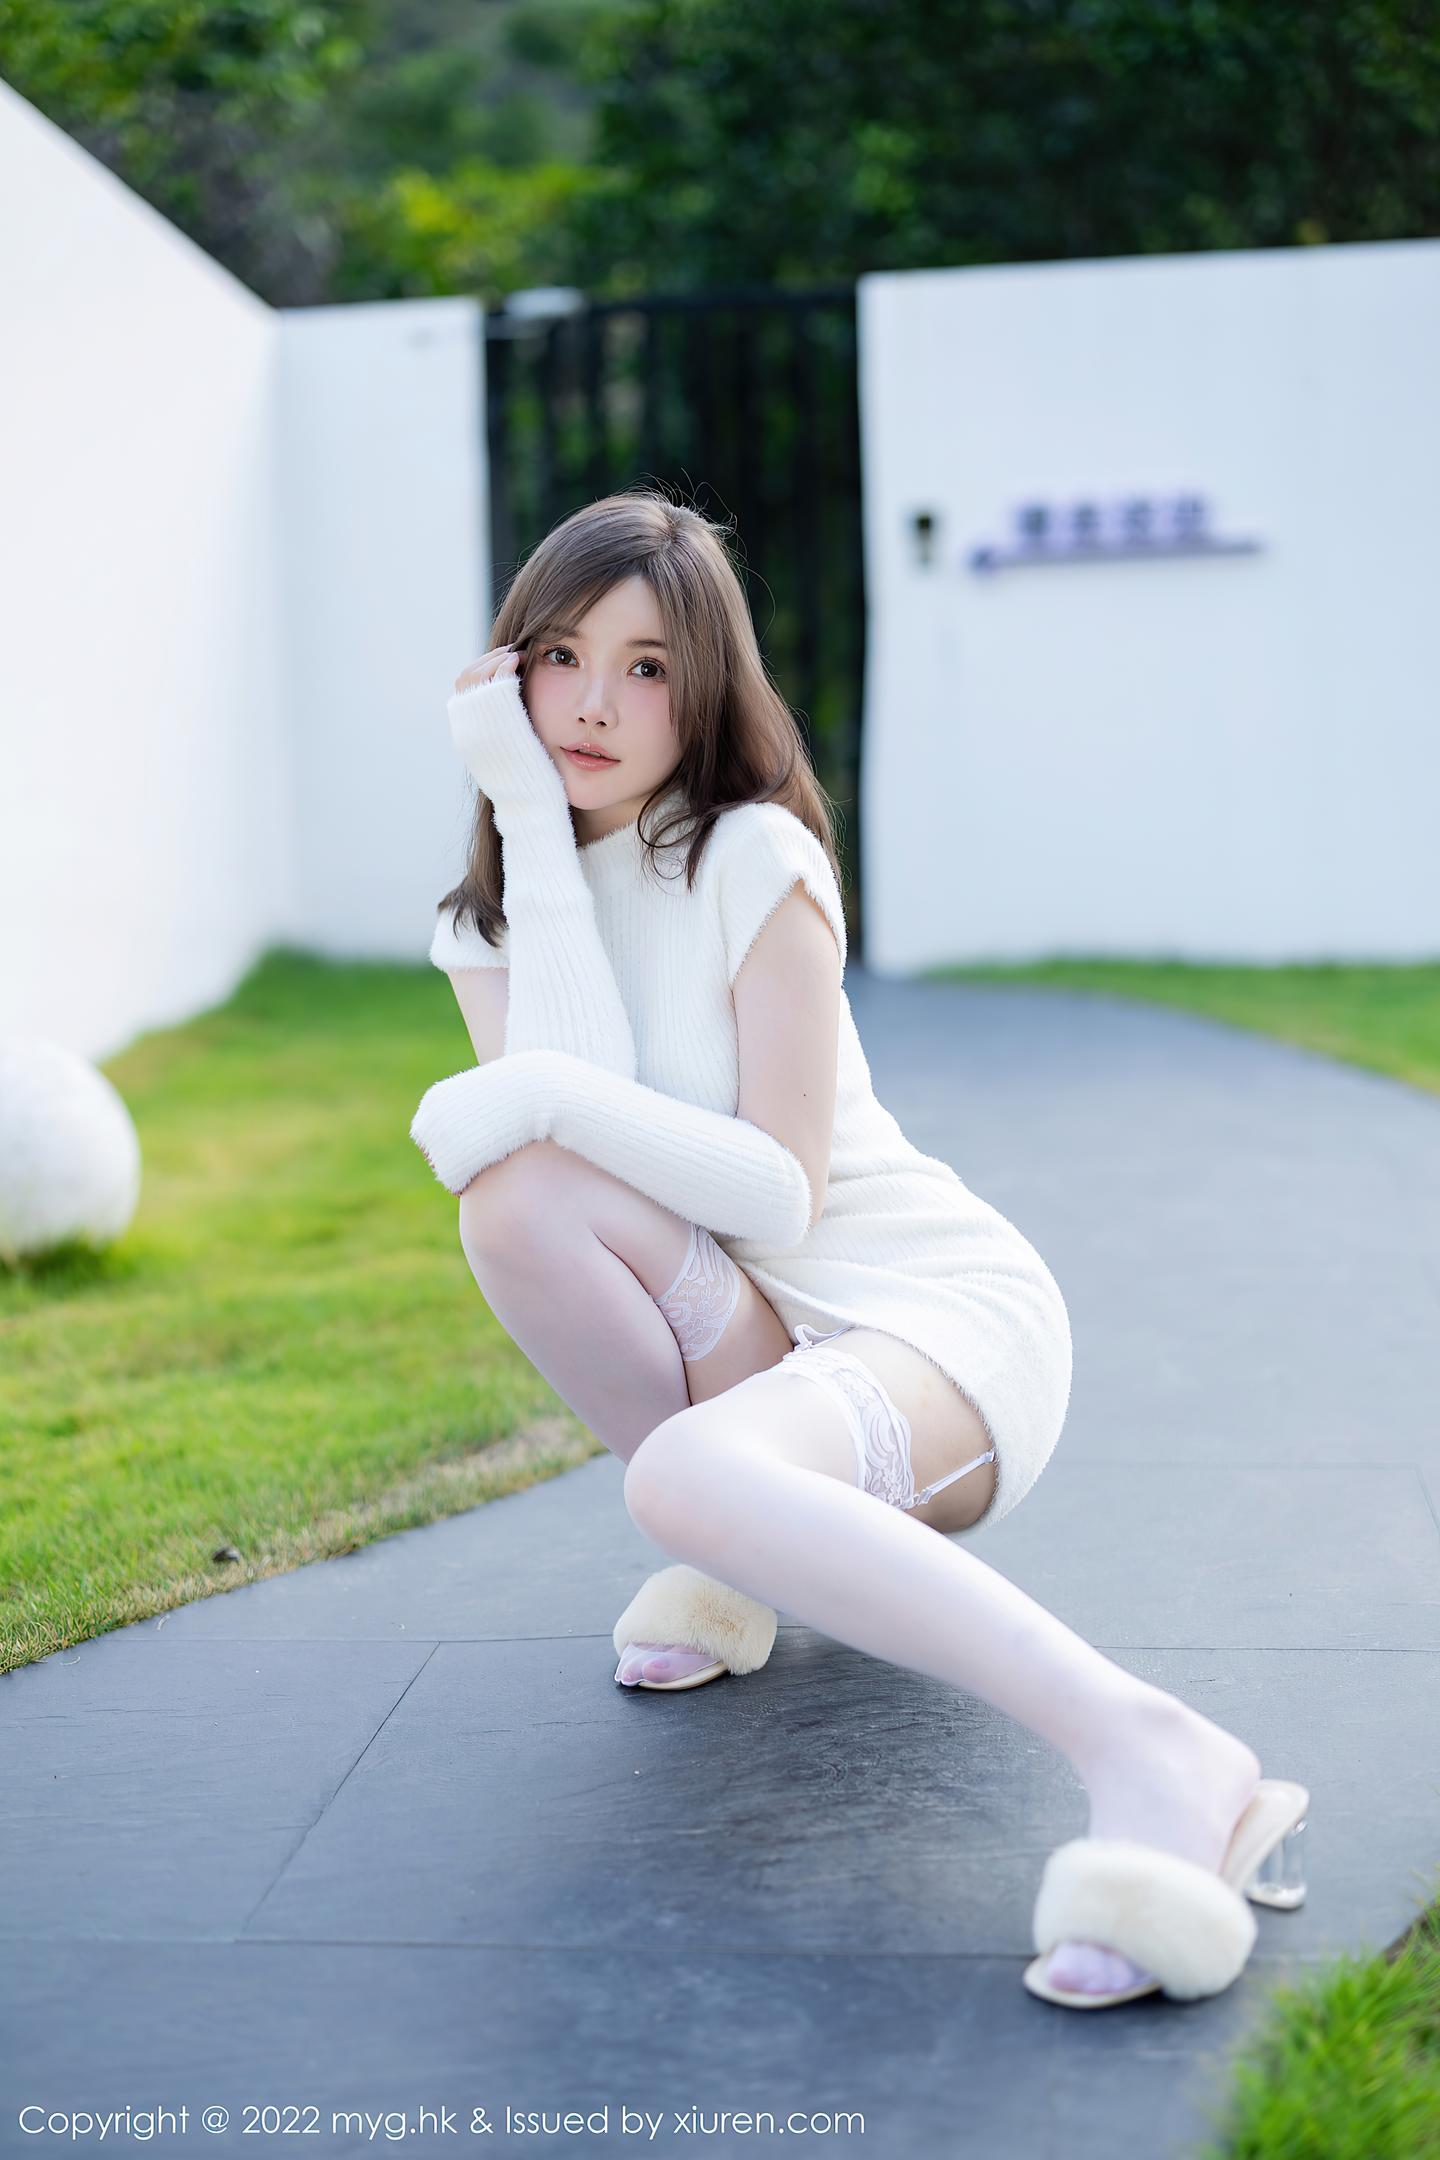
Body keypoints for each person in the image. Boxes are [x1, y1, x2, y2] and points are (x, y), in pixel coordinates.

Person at [409, 489, 1306, 2011]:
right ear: (509, 672)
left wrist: (539, 1093)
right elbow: (568, 1146)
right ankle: (739, 1543)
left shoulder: (753, 857)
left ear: (706, 687)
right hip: (766, 1341)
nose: (593, 703)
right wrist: (532, 834)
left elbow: (775, 1192)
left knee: (669, 1461)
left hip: (929, 1319)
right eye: (560, 657)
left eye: (646, 667)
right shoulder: (490, 925)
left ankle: (1162, 1754)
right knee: (513, 1199)